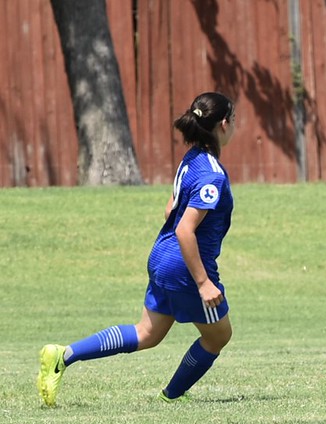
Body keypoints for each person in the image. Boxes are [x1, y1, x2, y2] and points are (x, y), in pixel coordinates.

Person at [35, 92, 237, 405]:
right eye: (233, 119)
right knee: (219, 336)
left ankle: (63, 355)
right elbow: (184, 228)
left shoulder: (192, 159)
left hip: (162, 255)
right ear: (224, 124)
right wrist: (203, 282)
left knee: (147, 333)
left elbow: (171, 209)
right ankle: (171, 396)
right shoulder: (212, 173)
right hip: (184, 264)